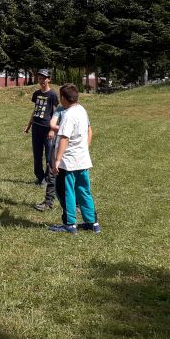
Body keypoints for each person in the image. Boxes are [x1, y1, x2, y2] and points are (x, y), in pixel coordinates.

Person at [49, 83, 100, 235]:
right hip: (82, 160)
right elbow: (89, 130)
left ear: (64, 98)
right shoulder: (82, 110)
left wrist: (57, 160)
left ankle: (70, 224)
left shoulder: (68, 115)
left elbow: (64, 138)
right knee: (84, 190)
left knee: (66, 192)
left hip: (69, 162)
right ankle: (92, 223)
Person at [24, 69, 58, 195]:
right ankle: (40, 177)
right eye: (40, 78)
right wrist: (29, 125)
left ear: (49, 79)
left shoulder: (53, 95)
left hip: (47, 129)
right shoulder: (36, 93)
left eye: (44, 78)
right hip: (36, 128)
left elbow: (55, 113)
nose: (42, 80)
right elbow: (35, 110)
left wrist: (52, 129)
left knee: (49, 156)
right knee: (37, 155)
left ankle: (48, 179)